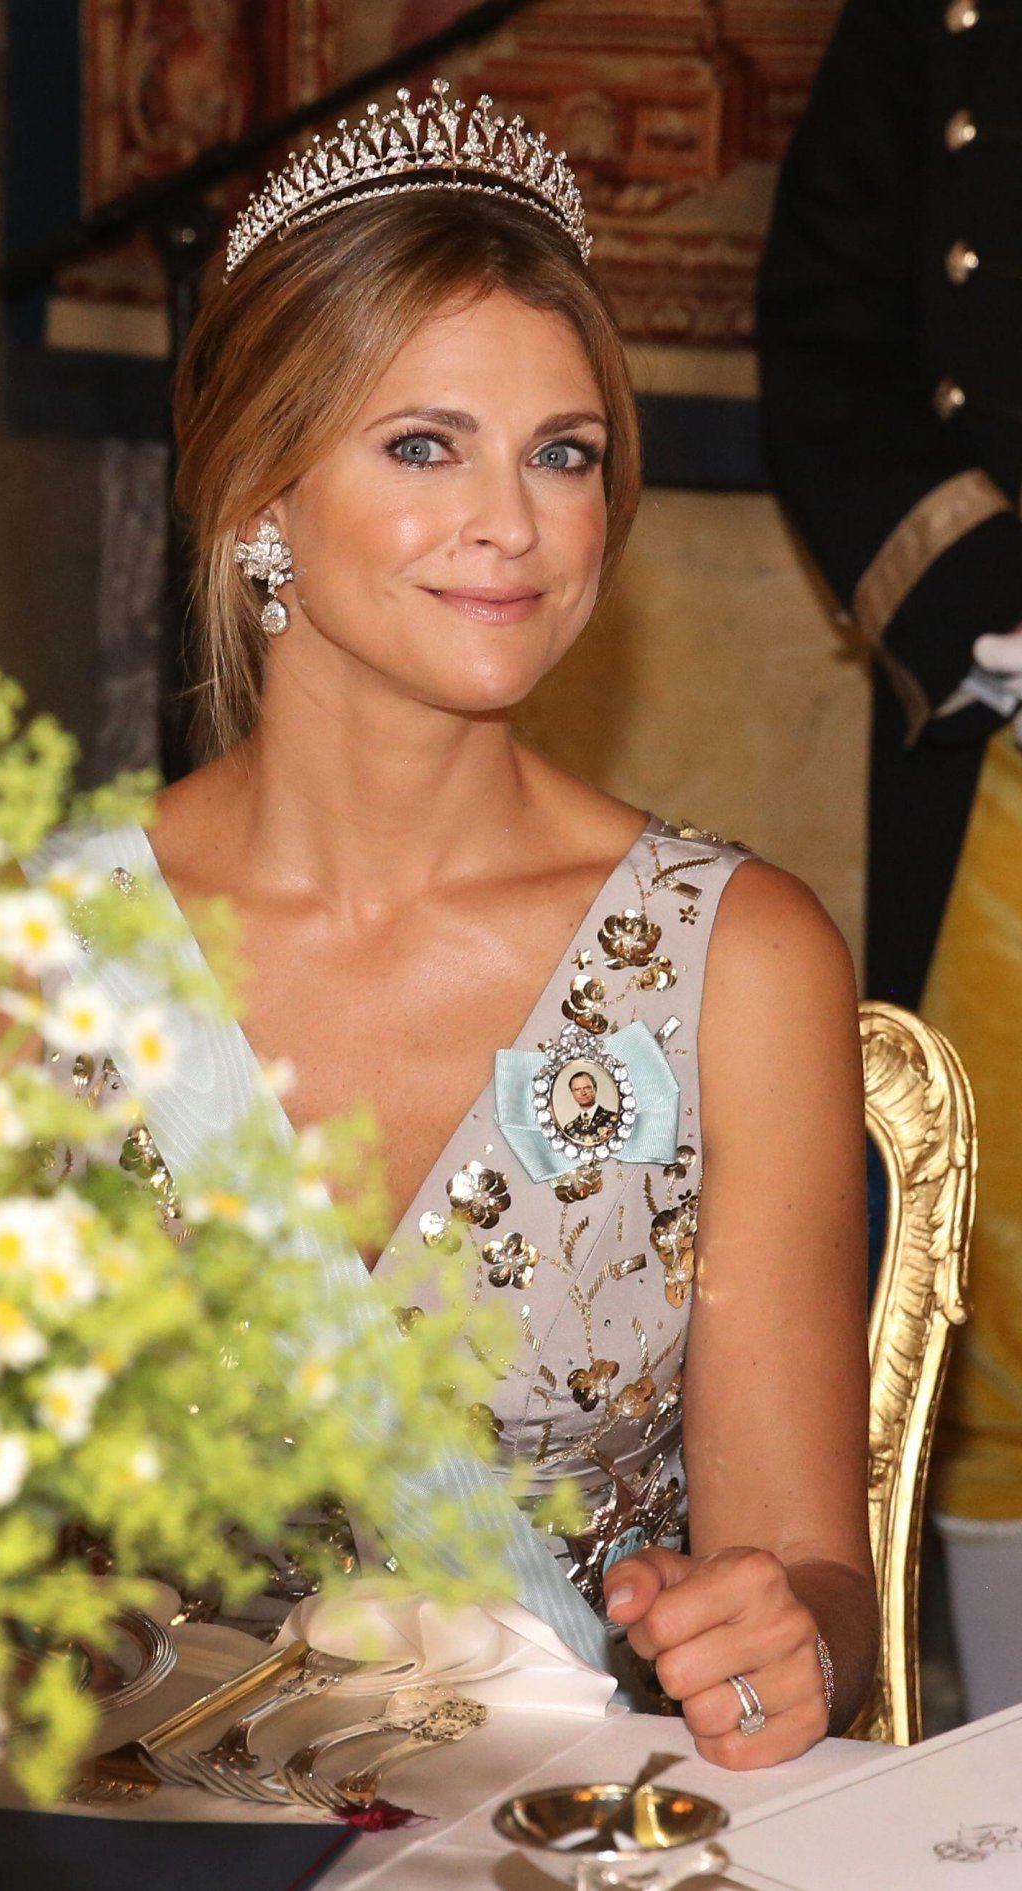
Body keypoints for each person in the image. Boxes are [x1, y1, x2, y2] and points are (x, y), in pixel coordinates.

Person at [65, 83, 876, 1766]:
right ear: (259, 500)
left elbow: (816, 1582)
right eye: (424, 444)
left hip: (557, 1845)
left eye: (562, 454)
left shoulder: (738, 962)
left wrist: (787, 1639)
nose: (514, 522)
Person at [757, 0, 1022, 1718]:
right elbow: (831, 325)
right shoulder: (944, 10)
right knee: (989, 1332)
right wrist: (997, 623)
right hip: (1011, 745)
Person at [564, 1070, 619, 1146]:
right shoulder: (569, 1129)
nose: (583, 1093)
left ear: (595, 1089)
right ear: (572, 1093)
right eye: (577, 1089)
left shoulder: (614, 1119)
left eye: (587, 1088)